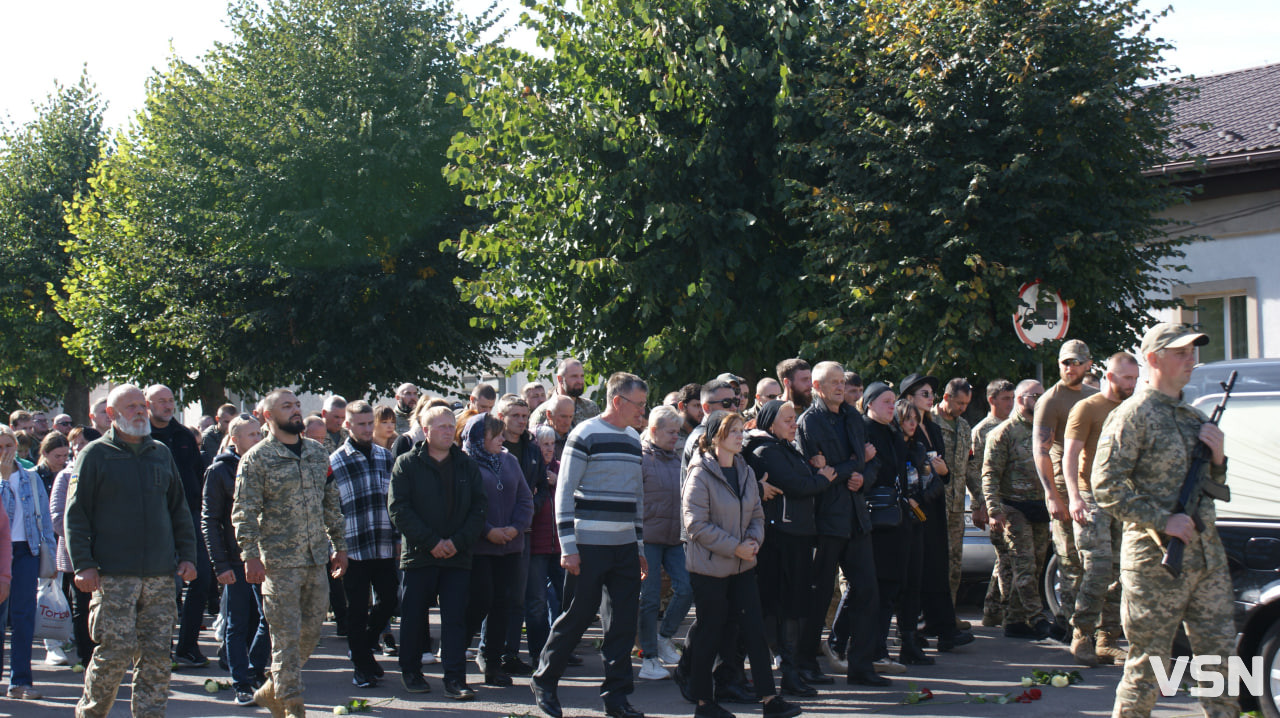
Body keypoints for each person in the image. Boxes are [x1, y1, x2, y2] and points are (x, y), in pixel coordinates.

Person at [1093, 324, 1237, 718]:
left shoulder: (1194, 418)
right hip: (1156, 564)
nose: (1191, 360)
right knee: (1149, 669)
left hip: (1206, 561)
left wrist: (1219, 459)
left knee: (1223, 664)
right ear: (1153, 359)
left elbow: (1212, 485)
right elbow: (1105, 487)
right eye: (1181, 353)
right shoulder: (1132, 416)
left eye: (1193, 352)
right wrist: (1162, 520)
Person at [65, 384, 199, 716]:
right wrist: (83, 563)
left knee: (156, 657)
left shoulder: (160, 453)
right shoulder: (95, 455)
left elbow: (179, 509)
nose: (140, 411)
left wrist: (187, 556)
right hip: (113, 577)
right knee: (114, 653)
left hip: (159, 576)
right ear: (110, 414)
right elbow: (76, 514)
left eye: (142, 405)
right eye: (131, 407)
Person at [531, 372, 649, 718]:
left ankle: (616, 697)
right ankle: (545, 680)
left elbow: (636, 498)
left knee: (622, 623)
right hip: (588, 544)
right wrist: (568, 545)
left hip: (625, 545)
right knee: (578, 616)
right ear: (618, 402)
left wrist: (639, 545)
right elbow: (564, 492)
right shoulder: (585, 434)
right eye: (639, 405)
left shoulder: (632, 439)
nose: (642, 412)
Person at [232, 388, 348, 717]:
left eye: (297, 405)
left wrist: (339, 545)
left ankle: (271, 691)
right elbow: (243, 512)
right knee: (284, 638)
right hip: (278, 565)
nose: (295, 410)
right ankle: (292, 708)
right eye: (286, 406)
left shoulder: (316, 452)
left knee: (310, 633)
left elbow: (331, 502)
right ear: (267, 417)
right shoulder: (255, 459)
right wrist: (249, 555)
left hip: (314, 559)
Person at [683, 411, 802, 718]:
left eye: (740, 430)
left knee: (754, 631)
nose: (740, 436)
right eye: (733, 431)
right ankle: (703, 704)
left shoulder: (745, 471)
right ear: (716, 438)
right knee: (710, 634)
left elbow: (757, 515)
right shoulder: (700, 474)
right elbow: (696, 525)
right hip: (710, 570)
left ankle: (769, 700)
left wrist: (753, 542)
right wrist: (735, 546)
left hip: (743, 566)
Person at [388, 405, 486, 700]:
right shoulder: (407, 464)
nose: (447, 431)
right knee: (414, 616)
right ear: (426, 430)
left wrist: (456, 542)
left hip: (458, 555)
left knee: (455, 618)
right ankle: (412, 672)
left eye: (450, 426)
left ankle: (455, 678)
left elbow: (478, 508)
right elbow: (399, 509)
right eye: (440, 426)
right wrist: (432, 542)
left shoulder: (466, 464)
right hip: (419, 555)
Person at [794, 361, 882, 686]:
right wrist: (850, 469)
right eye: (832, 382)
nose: (839, 387)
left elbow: (863, 463)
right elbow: (814, 472)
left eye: (842, 381)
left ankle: (861, 666)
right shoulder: (809, 422)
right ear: (817, 387)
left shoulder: (853, 418)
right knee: (818, 594)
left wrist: (860, 475)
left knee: (867, 590)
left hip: (857, 516)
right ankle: (806, 663)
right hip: (825, 519)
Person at [744, 400, 833, 694]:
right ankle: (786, 673)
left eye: (795, 418)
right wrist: (822, 477)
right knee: (781, 606)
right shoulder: (765, 451)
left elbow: (802, 481)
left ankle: (791, 671)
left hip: (798, 536)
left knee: (794, 606)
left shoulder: (786, 449)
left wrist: (813, 473)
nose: (794, 424)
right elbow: (798, 486)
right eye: (787, 419)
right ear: (770, 423)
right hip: (780, 539)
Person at [1063, 352, 1139, 666]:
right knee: (1097, 567)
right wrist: (1074, 498)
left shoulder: (1133, 410)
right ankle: (1082, 635)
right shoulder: (1087, 408)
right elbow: (1070, 457)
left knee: (1123, 570)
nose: (1132, 385)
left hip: (1123, 499)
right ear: (1109, 376)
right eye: (1126, 378)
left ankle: (1108, 639)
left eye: (1135, 378)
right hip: (1090, 496)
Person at [898, 373, 971, 650]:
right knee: (917, 568)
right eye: (924, 394)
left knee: (938, 566)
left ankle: (944, 628)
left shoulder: (934, 427)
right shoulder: (905, 429)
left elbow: (944, 471)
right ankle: (914, 630)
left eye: (931, 394)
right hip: (917, 507)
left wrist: (944, 472)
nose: (930, 399)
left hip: (937, 503)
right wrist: (934, 474)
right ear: (908, 399)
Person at [329, 401, 399, 689]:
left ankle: (366, 648)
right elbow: (329, 506)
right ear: (348, 425)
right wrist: (335, 545)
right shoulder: (335, 461)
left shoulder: (385, 456)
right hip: (352, 545)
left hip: (383, 542)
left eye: (370, 423)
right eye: (361, 424)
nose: (367, 429)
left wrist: (397, 538)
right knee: (356, 608)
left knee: (390, 600)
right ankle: (362, 665)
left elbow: (396, 501)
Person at [202, 414, 270, 706]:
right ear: (234, 439)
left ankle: (255, 669)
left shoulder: (267, 464)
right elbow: (210, 520)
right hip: (236, 558)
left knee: (267, 618)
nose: (258, 439)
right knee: (237, 622)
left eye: (259, 433)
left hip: (267, 557)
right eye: (251, 435)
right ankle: (241, 682)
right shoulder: (219, 471)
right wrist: (221, 565)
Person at [462, 413, 534, 687]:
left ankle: (493, 664)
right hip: (480, 548)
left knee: (503, 604)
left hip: (511, 546)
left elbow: (525, 498)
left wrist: (516, 527)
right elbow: (466, 505)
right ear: (480, 438)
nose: (503, 439)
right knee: (480, 601)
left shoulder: (509, 461)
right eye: (497, 435)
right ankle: (457, 652)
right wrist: (488, 530)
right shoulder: (466, 464)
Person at [145, 383, 212, 669]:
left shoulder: (184, 435)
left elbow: (197, 475)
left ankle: (188, 646)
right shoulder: (141, 437)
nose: (168, 405)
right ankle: (159, 647)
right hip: (156, 521)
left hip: (190, 518)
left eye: (171, 400)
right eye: (161, 401)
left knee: (202, 579)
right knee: (162, 586)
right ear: (148, 404)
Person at [1032, 340, 1097, 634]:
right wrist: (1052, 496)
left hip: (1093, 487)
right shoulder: (1050, 400)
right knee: (1069, 558)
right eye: (1064, 363)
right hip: (1061, 485)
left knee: (1096, 559)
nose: (1069, 368)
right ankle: (1068, 623)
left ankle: (1096, 622)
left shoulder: (1094, 397)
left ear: (1088, 364)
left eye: (1075, 362)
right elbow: (1041, 451)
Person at [982, 379, 1050, 640]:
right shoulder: (1003, 433)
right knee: (1024, 565)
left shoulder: (1046, 430)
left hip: (1040, 507)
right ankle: (1037, 617)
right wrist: (994, 509)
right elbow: (990, 475)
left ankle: (1015, 620)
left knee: (1038, 564)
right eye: (1036, 395)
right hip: (1014, 508)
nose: (1041, 400)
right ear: (1022, 399)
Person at [861, 384, 920, 674]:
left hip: (897, 519)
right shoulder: (863, 430)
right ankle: (871, 649)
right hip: (876, 521)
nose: (890, 406)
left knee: (893, 586)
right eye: (884, 401)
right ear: (869, 404)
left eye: (892, 401)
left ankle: (880, 647)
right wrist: (867, 461)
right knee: (877, 588)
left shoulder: (894, 433)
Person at [0, 423, 58, 700]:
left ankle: (20, 681)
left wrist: (51, 556)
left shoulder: (31, 478)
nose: (5, 452)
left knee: (23, 618)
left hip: (26, 552)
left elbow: (44, 519)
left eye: (8, 446)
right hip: (1, 555)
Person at [493, 395, 549, 675]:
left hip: (523, 530)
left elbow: (542, 485)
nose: (521, 420)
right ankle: (488, 651)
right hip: (492, 531)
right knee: (494, 595)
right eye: (515, 415)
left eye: (524, 415)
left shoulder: (531, 447)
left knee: (518, 596)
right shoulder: (492, 445)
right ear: (501, 417)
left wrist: (529, 510)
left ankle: (510, 653)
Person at [637, 406, 693, 680]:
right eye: (671, 432)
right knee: (648, 598)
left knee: (687, 588)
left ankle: (663, 638)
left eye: (677, 431)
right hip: (648, 540)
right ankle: (648, 657)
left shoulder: (678, 459)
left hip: (674, 539)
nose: (676, 437)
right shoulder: (640, 459)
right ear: (654, 430)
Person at [49, 426, 101, 671]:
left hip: (106, 555)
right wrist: (84, 537)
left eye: (81, 444)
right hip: (74, 556)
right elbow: (58, 518)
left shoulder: (104, 471)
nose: (76, 449)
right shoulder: (65, 476)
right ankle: (86, 656)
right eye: (74, 445)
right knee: (81, 607)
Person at [932, 379, 982, 609]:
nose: (963, 407)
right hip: (933, 505)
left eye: (966, 403)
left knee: (954, 564)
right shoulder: (928, 421)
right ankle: (928, 614)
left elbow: (969, 468)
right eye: (959, 402)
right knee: (933, 563)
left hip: (956, 508)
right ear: (946, 397)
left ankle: (948, 614)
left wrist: (981, 500)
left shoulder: (963, 427)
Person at [972, 379, 1015, 628]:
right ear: (992, 400)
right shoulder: (983, 431)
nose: (1010, 403)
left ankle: (991, 607)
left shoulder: (1014, 427)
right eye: (1005, 399)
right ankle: (1010, 612)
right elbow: (977, 472)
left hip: (1013, 502)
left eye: (1012, 398)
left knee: (1005, 559)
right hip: (994, 503)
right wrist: (982, 505)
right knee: (1007, 557)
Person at [35, 431, 71, 665]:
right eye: (57, 455)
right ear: (45, 454)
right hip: (43, 540)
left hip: (66, 540)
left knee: (66, 592)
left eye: (66, 455)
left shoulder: (71, 474)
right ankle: (52, 644)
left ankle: (67, 634)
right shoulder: (35, 476)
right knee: (48, 590)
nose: (62, 460)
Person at [681, 380, 739, 476]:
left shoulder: (732, 433)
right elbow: (714, 481)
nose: (734, 408)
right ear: (707, 407)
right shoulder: (701, 437)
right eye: (726, 403)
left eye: (735, 401)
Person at [675, 383, 704, 448]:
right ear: (681, 406)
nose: (702, 411)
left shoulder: (706, 435)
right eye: (697, 405)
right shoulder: (667, 433)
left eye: (704, 406)